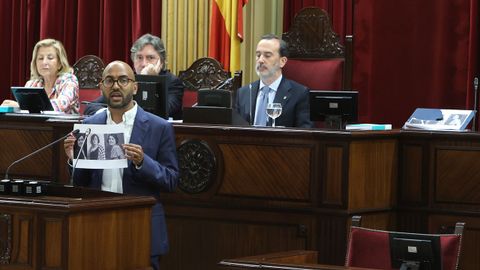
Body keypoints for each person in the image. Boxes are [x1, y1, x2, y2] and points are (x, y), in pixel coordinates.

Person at [63, 60, 179, 269]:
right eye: (110, 80)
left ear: (135, 87)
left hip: (141, 225)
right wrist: (74, 160)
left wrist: (143, 162)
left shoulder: (159, 127)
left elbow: (171, 180)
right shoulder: (90, 125)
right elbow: (80, 183)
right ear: (102, 87)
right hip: (97, 221)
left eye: (123, 80)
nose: (116, 86)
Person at [84, 33, 184, 119]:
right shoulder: (125, 80)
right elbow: (92, 106)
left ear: (161, 62)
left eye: (150, 58)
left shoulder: (173, 82)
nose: (144, 63)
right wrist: (109, 114)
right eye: (139, 57)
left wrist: (147, 80)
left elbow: (163, 113)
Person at [234, 34, 312, 128]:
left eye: (267, 55)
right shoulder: (243, 93)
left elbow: (305, 133)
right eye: (258, 55)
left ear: (282, 61)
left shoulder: (299, 94)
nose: (261, 60)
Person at [2, 38, 79, 114]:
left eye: (50, 58)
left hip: (64, 126)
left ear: (60, 63)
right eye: (40, 58)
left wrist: (20, 105)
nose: (44, 62)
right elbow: (25, 112)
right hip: (36, 126)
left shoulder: (70, 80)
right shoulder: (32, 84)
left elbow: (61, 105)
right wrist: (12, 107)